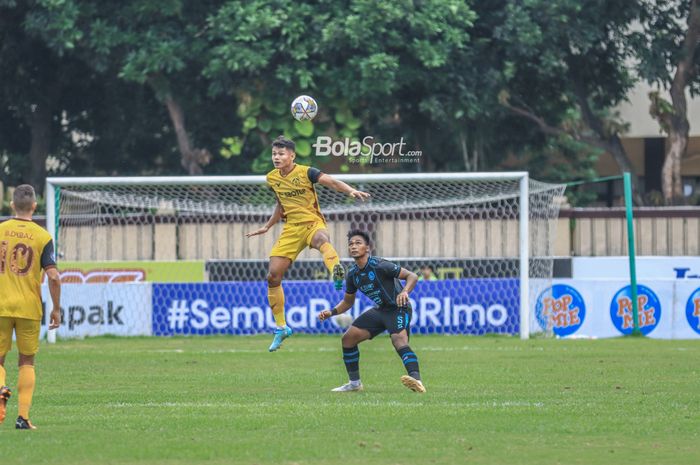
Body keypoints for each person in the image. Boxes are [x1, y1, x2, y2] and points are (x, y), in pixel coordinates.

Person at [247, 136, 370, 352]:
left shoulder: (306, 172)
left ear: (292, 156)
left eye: (281, 153)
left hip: (312, 222)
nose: (276, 157)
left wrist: (350, 190)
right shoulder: (272, 178)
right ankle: (281, 327)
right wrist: (268, 226)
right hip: (291, 229)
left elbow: (331, 181)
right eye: (274, 154)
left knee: (322, 240)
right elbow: (280, 205)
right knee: (273, 276)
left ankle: (337, 271)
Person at [318, 229, 425, 393]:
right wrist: (331, 312)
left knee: (399, 340)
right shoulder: (353, 275)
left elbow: (412, 276)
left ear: (367, 248)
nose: (353, 246)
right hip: (381, 311)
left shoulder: (380, 265)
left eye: (358, 243)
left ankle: (416, 381)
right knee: (348, 339)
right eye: (351, 244)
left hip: (398, 308)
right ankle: (354, 384)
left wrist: (404, 292)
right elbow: (348, 302)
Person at [0, 185, 61, 430]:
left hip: (1, 305)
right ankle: (23, 418)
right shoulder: (43, 236)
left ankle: (1, 387)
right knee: (26, 360)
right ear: (34, 206)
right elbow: (54, 277)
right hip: (28, 307)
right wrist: (56, 309)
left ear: (11, 205)